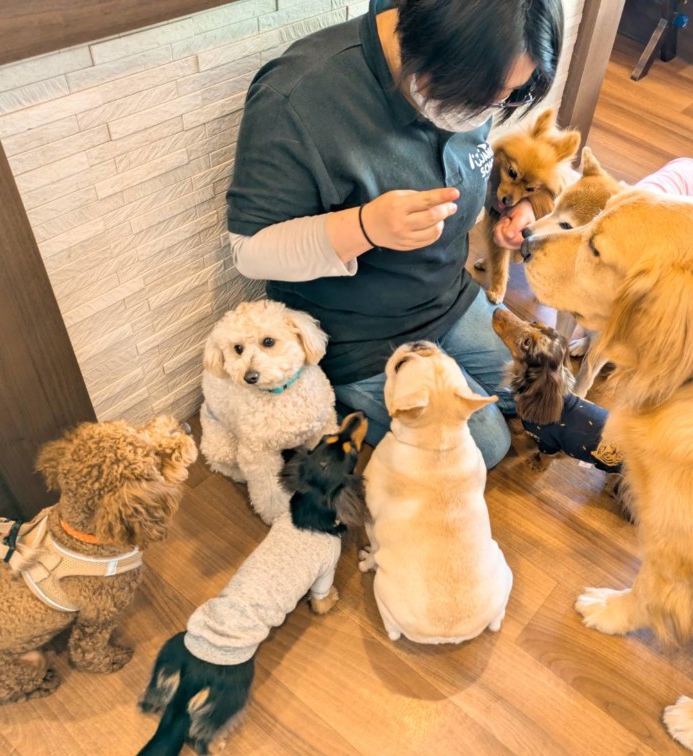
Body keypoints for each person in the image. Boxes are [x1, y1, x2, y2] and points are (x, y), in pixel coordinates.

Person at [226, 0, 564, 470]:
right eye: (487, 94)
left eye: (511, 95)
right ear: (437, 43)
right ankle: (332, 397)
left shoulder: (482, 72)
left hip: (446, 295)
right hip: (357, 332)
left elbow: (474, 170)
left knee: (536, 392)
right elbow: (249, 251)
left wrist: (519, 206)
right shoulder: (296, 97)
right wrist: (364, 227)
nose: (493, 109)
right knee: (484, 444)